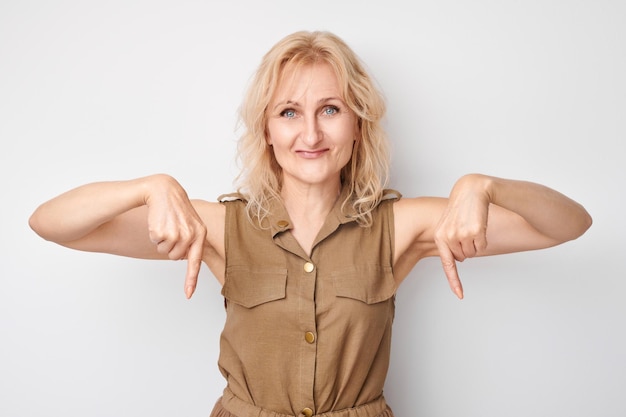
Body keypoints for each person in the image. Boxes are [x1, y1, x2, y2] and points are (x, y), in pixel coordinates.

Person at [29, 30, 591, 417]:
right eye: (289, 112)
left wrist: (483, 185)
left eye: (330, 109)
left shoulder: (401, 227)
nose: (311, 135)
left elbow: (569, 224)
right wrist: (149, 186)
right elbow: (51, 223)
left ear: (356, 124)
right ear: (268, 132)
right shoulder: (221, 228)